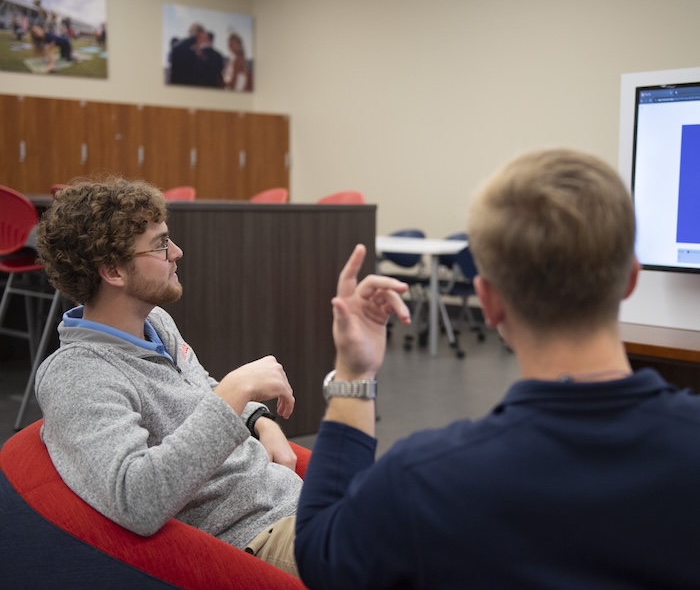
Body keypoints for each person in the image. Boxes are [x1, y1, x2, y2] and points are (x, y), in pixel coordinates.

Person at [294, 148, 700, 589]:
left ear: (488, 301)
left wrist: (355, 374)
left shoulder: (424, 482)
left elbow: (321, 553)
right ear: (630, 280)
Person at [34, 176, 312, 577]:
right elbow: (137, 500)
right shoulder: (78, 375)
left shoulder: (156, 323)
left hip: (291, 503)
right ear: (113, 270)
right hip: (257, 538)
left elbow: (200, 390)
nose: (177, 252)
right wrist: (235, 392)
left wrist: (259, 420)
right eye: (161, 244)